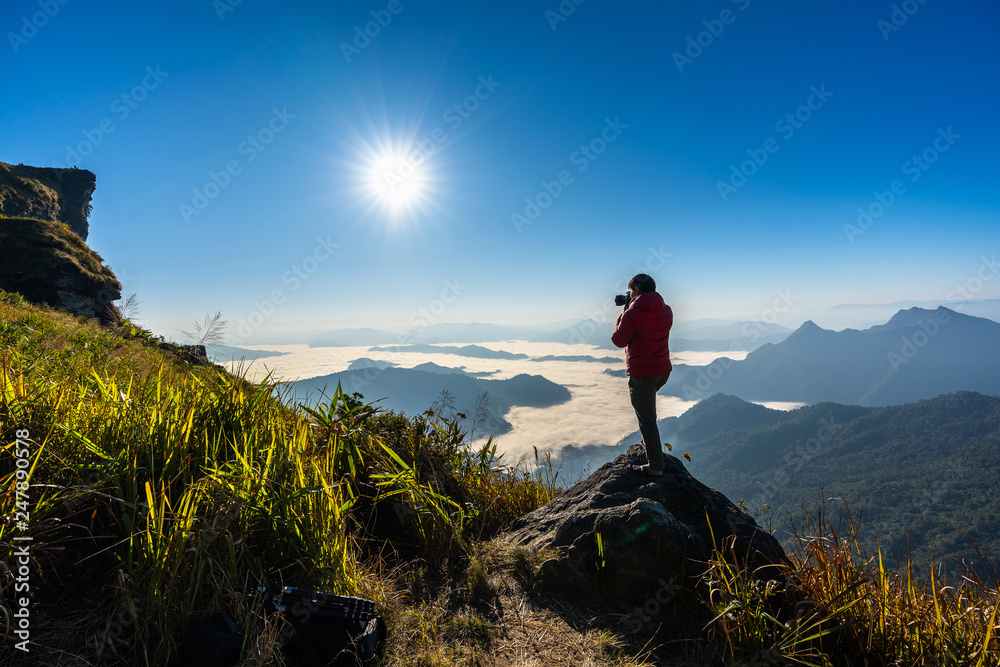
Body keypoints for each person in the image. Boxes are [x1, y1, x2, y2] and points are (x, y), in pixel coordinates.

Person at [611, 273, 673, 477]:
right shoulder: (667, 310)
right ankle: (649, 446)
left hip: (643, 374)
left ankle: (655, 467)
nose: (628, 296)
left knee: (647, 419)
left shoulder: (632, 314)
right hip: (663, 371)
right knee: (647, 414)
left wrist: (624, 313)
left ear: (636, 291)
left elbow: (618, 340)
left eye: (630, 292)